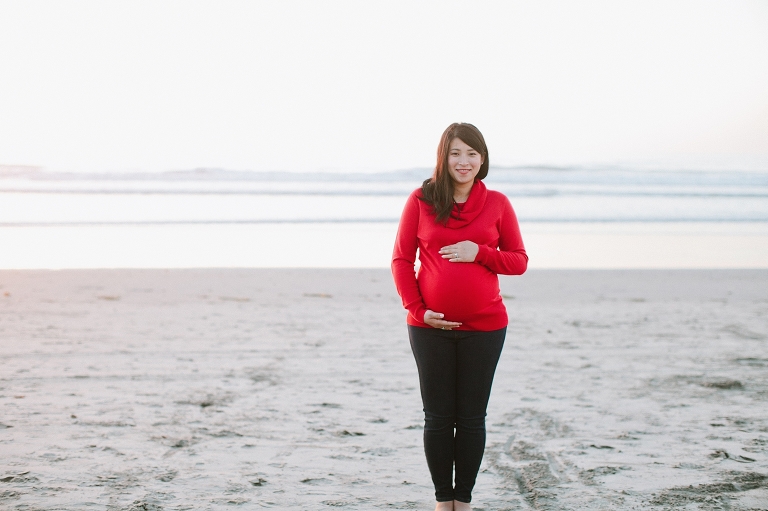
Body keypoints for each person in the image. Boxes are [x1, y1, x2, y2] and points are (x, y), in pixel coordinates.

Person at [391, 123, 527, 510]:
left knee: (470, 418)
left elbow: (518, 261)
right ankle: (442, 500)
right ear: (444, 158)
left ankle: (462, 501)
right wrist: (419, 311)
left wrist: (479, 252)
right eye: (455, 153)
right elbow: (401, 260)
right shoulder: (421, 200)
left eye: (471, 153)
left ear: (482, 159)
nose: (463, 161)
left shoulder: (498, 203)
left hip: (485, 328)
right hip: (428, 328)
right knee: (437, 417)